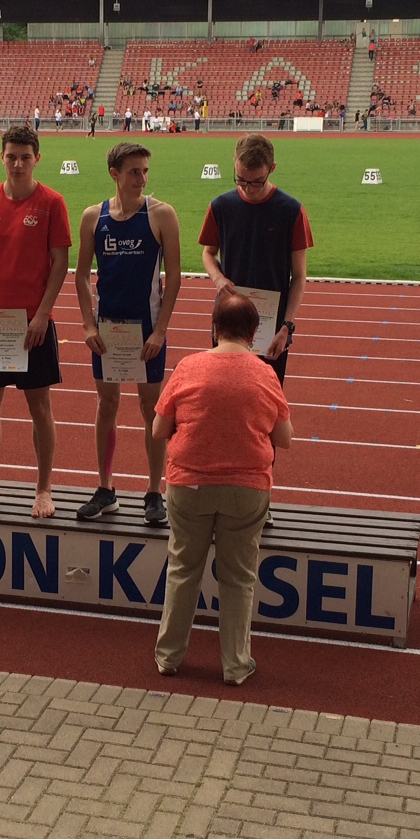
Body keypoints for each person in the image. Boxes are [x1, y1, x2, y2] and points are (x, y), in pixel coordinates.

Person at [151, 291, 292, 685]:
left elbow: (158, 429)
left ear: (214, 328)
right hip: (246, 489)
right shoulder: (265, 373)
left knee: (182, 571)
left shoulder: (187, 367)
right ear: (254, 332)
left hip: (189, 484)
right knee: (239, 578)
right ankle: (235, 664)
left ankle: (169, 658)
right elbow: (285, 438)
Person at [0, 123, 72, 517]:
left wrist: (43, 314)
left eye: (26, 157)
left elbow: (61, 263)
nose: (18, 164)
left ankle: (43, 489)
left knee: (39, 407)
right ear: (2, 157)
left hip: (32, 323)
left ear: (37, 158)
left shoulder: (52, 203)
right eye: (12, 156)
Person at [73, 142, 181, 525]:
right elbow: (82, 276)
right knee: (107, 407)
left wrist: (161, 332)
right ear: (114, 174)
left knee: (151, 411)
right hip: (107, 330)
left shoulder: (161, 215)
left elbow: (175, 280)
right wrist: (88, 324)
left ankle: (155, 492)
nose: (142, 179)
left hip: (147, 329)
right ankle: (106, 488)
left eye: (146, 171)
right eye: (134, 171)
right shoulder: (93, 218)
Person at [199, 134, 311, 387]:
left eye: (257, 182)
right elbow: (208, 253)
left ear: (272, 169)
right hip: (229, 317)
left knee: (266, 397)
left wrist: (287, 327)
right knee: (225, 391)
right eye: (240, 179)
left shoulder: (291, 210)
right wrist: (218, 278)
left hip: (272, 325)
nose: (248, 188)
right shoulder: (221, 206)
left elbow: (299, 276)